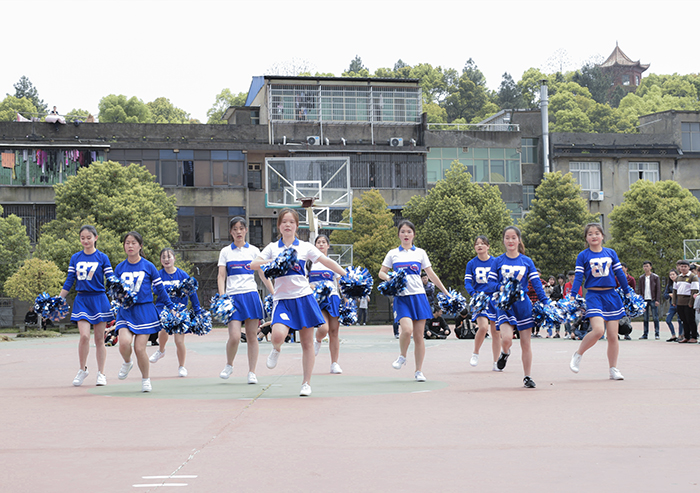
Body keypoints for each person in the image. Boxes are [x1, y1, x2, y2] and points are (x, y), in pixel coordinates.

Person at [250, 209, 346, 397]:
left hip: (303, 298)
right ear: (279, 225)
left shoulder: (305, 247)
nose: (287, 225)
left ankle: (306, 383)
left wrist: (345, 274)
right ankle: (276, 348)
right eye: (284, 222)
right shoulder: (272, 247)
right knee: (278, 335)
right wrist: (273, 260)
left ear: (296, 226)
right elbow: (253, 264)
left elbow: (326, 261)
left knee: (307, 343)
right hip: (282, 300)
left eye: (291, 222)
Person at [380, 219, 449, 383]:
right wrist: (391, 278)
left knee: (419, 336)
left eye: (409, 232)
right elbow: (381, 272)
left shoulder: (420, 253)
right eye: (403, 231)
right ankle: (402, 356)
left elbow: (431, 274)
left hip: (419, 297)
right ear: (399, 234)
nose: (406, 234)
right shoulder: (392, 254)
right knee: (406, 330)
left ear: (413, 235)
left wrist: (445, 292)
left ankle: (418, 371)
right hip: (402, 298)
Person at [486, 226, 551, 389]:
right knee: (507, 338)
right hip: (505, 304)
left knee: (526, 343)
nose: (510, 241)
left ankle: (527, 376)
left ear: (519, 240)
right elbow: (490, 284)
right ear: (503, 240)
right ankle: (505, 353)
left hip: (523, 304)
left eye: (513, 237)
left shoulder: (526, 261)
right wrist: (502, 288)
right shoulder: (497, 261)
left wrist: (546, 302)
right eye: (507, 238)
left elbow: (536, 283)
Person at [114, 231, 175, 392]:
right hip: (126, 311)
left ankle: (145, 379)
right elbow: (114, 291)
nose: (130, 246)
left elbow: (160, 290)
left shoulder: (148, 266)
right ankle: (127, 362)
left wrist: (171, 307)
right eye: (127, 243)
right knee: (124, 343)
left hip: (144, 311)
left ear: (140, 246)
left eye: (133, 243)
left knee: (140, 348)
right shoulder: (119, 268)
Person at [568, 223, 629, 381]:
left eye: (597, 233)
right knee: (598, 331)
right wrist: (573, 295)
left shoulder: (611, 253)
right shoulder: (583, 255)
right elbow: (578, 277)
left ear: (602, 236)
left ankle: (613, 369)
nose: (594, 236)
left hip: (611, 296)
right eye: (590, 234)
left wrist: (627, 291)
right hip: (594, 296)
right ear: (586, 238)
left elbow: (619, 274)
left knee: (613, 336)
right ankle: (578, 354)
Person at [217, 217, 274, 385]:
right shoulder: (225, 252)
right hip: (233, 298)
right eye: (235, 229)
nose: (238, 232)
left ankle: (252, 372)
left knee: (252, 336)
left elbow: (263, 275)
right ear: (230, 232)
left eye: (241, 228)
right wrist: (223, 297)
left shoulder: (254, 251)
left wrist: (274, 293)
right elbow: (221, 276)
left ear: (246, 230)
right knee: (234, 336)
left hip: (250, 296)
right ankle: (229, 365)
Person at [59, 225, 114, 387]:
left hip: (99, 299)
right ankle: (82, 369)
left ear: (95, 238)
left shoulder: (102, 257)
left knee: (99, 339)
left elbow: (111, 279)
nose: (85, 241)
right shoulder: (75, 257)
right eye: (82, 238)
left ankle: (101, 373)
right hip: (82, 300)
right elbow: (70, 280)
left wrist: (120, 293)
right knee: (84, 336)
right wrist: (60, 298)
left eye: (89, 238)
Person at [148, 248, 203, 377]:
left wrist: (198, 311)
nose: (166, 260)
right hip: (163, 307)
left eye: (169, 257)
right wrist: (171, 289)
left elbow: (192, 293)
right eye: (163, 257)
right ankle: (161, 350)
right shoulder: (158, 274)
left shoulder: (183, 275)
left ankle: (182, 366)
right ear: (160, 260)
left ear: (174, 258)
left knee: (179, 341)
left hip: (179, 310)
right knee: (163, 328)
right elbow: (155, 290)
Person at [463, 235, 501, 370]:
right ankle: (475, 352)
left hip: (494, 299)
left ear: (488, 246)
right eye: (477, 244)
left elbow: (500, 280)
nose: (479, 246)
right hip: (480, 299)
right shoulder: (471, 263)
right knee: (483, 327)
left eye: (482, 243)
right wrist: (474, 294)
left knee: (496, 331)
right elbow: (467, 282)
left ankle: (496, 362)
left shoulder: (495, 262)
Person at [309, 234, 344, 374]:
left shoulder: (331, 263)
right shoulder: (309, 263)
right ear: (315, 246)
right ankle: (318, 339)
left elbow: (341, 282)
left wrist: (347, 298)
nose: (321, 244)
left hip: (333, 297)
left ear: (328, 246)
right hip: (318, 299)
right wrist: (311, 287)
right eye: (318, 242)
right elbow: (303, 280)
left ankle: (334, 363)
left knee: (334, 331)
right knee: (324, 328)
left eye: (324, 242)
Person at [673, 260, 699, 344]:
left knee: (690, 320)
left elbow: (694, 291)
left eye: (685, 266)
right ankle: (686, 337)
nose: (683, 268)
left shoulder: (693, 277)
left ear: (688, 267)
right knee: (683, 320)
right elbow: (675, 290)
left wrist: (691, 303)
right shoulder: (678, 278)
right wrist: (674, 301)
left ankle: (694, 337)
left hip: (688, 302)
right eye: (682, 266)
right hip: (680, 302)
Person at [637, 261, 661, 340]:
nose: (645, 268)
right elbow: (640, 289)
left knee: (655, 317)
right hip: (644, 300)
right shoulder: (641, 278)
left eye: (647, 266)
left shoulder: (655, 277)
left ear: (650, 267)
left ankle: (657, 333)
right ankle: (645, 334)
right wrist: (640, 300)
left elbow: (658, 289)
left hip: (653, 299)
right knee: (645, 318)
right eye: (644, 266)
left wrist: (657, 300)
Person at [664, 269, 683, 342]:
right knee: (668, 320)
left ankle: (680, 335)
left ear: (677, 275)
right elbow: (665, 295)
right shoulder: (669, 285)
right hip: (672, 305)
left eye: (673, 274)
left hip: (680, 304)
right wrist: (669, 294)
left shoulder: (680, 283)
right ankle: (673, 335)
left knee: (680, 320)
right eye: (670, 275)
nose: (672, 276)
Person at [550, 274, 565, 338]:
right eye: (559, 279)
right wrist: (560, 296)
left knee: (566, 318)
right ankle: (557, 332)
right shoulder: (556, 287)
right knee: (557, 318)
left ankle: (567, 332)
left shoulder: (566, 286)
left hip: (565, 304)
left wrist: (559, 296)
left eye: (561, 279)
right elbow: (554, 295)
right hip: (558, 304)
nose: (560, 280)